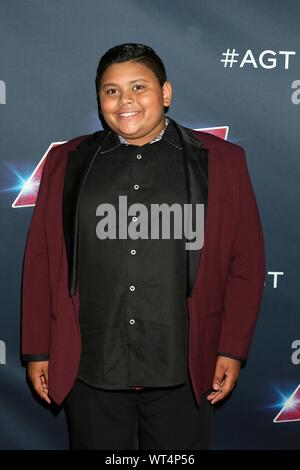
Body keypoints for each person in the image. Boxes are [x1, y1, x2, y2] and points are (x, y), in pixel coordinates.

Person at [21, 43, 265, 450]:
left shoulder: (222, 161)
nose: (125, 101)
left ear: (165, 93)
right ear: (99, 99)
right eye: (111, 91)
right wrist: (37, 349)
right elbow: (41, 259)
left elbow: (246, 263)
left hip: (184, 367)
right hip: (91, 365)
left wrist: (231, 347)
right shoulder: (67, 161)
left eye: (138, 87)